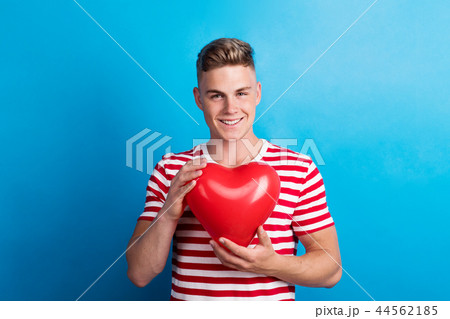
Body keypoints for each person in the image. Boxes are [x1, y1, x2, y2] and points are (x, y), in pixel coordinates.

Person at [126, 38, 342, 301]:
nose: (231, 109)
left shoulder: (299, 170)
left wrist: (269, 264)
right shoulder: (171, 169)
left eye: (241, 93)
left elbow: (331, 271)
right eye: (216, 95)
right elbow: (139, 273)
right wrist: (169, 213)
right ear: (198, 99)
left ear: (258, 94)